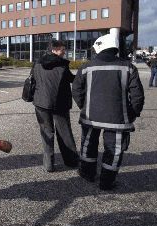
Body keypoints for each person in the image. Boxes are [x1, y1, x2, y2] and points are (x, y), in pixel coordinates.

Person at [72, 33, 144, 190]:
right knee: (114, 150)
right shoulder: (128, 67)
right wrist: (132, 113)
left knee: (88, 146)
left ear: (99, 47)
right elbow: (137, 95)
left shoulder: (86, 67)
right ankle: (106, 182)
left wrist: (84, 105)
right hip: (118, 120)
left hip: (90, 117)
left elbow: (76, 90)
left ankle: (87, 174)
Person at [31, 40, 78, 172]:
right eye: (61, 49)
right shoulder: (63, 65)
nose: (64, 52)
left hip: (41, 103)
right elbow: (71, 79)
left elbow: (33, 80)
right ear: (53, 50)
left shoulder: (37, 63)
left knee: (47, 133)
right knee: (65, 133)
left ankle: (49, 165)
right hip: (60, 104)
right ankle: (71, 161)